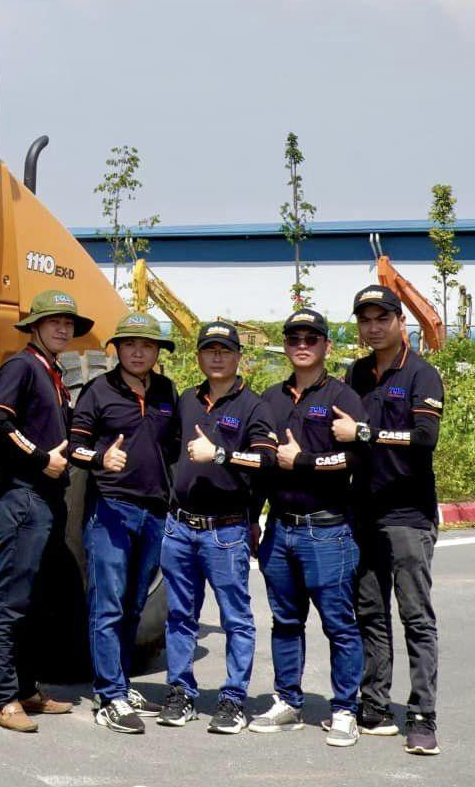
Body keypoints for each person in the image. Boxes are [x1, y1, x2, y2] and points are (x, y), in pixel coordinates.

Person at [249, 307, 370, 748]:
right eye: (294, 338)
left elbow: (355, 460)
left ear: (326, 346)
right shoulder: (270, 398)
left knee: (339, 624)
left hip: (328, 530)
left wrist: (302, 461)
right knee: (285, 621)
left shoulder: (344, 397)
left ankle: (344, 710)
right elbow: (262, 466)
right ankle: (288, 702)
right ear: (285, 345)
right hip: (280, 528)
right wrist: (252, 518)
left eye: (311, 338)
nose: (302, 345)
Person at [0, 289, 88, 732]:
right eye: (54, 321)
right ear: (36, 326)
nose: (63, 328)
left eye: (68, 322)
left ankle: (26, 689)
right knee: (11, 601)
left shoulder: (52, 371)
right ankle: (2, 700)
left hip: (45, 500)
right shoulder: (22, 366)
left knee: (35, 602)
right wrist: (42, 459)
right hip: (23, 497)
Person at [68, 310, 181, 734]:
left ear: (157, 351)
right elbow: (74, 447)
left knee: (134, 603)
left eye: (147, 345)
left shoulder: (167, 391)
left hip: (154, 513)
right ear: (116, 349)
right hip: (112, 510)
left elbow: (174, 447)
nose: (138, 352)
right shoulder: (98, 391)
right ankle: (109, 696)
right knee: (108, 604)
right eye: (130, 344)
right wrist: (101, 457)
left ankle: (121, 682)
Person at [154, 319, 268, 734]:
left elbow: (265, 461)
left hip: (226, 531)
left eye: (225, 350)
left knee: (236, 618)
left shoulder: (254, 406)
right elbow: (168, 451)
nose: (217, 357)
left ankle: (233, 699)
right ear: (199, 356)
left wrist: (220, 455)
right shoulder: (187, 399)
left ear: (239, 357)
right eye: (209, 350)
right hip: (180, 527)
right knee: (180, 615)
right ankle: (180, 692)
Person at [346, 284, 445, 756]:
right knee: (369, 612)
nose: (373, 327)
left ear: (400, 322)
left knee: (415, 616)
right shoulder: (356, 373)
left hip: (408, 514)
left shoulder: (422, 374)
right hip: (363, 512)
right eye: (365, 320)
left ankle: (423, 715)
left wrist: (365, 432)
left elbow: (424, 437)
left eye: (381, 318)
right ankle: (375, 704)